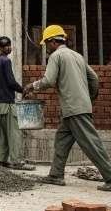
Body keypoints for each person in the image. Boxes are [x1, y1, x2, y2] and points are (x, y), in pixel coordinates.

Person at [23, 25, 111, 191]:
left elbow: (48, 80)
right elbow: (94, 78)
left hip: (74, 108)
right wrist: (89, 98)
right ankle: (56, 175)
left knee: (91, 144)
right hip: (76, 107)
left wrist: (32, 86)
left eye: (47, 44)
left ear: (53, 42)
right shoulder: (77, 56)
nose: (46, 48)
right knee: (61, 140)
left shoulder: (57, 56)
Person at [0, 37, 34, 170]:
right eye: (5, 46)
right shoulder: (6, 61)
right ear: (0, 48)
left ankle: (2, 160)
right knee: (14, 133)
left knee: (3, 134)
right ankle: (17, 161)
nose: (8, 48)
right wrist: (23, 89)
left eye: (9, 45)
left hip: (0, 104)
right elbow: (11, 81)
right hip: (8, 103)